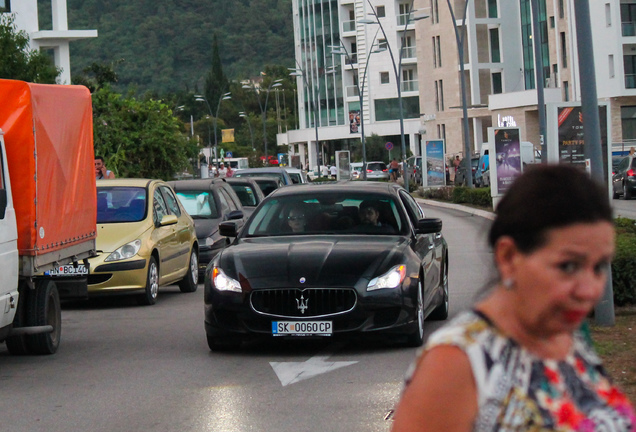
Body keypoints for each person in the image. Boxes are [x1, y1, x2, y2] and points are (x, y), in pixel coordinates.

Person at [391, 164, 635, 432]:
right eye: (567, 266)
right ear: (508, 258)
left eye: (599, 267)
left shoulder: (567, 337)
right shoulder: (455, 365)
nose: (590, 290)